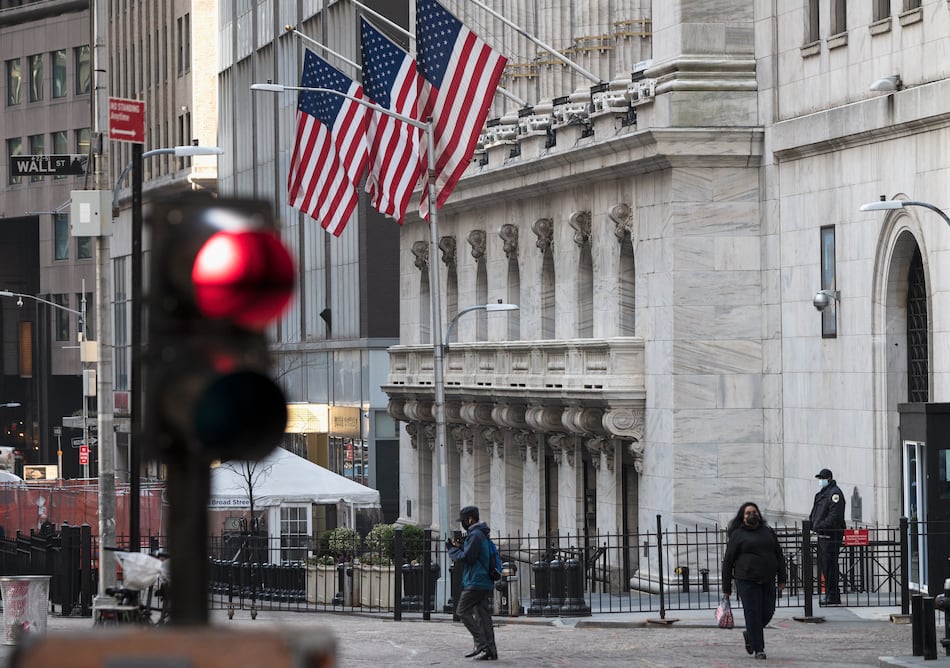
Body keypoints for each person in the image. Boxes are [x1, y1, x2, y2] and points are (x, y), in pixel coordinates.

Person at [722, 501, 786, 661]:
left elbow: (779, 554)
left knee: (768, 611)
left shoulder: (767, 531)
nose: (752, 515)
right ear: (742, 517)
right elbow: (728, 561)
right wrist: (726, 588)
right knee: (753, 614)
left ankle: (750, 634)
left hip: (768, 579)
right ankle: (759, 649)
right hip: (747, 580)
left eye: (754, 512)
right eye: (748, 513)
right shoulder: (738, 535)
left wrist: (782, 577)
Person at [446, 506, 497, 661]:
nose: (462, 523)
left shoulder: (475, 535)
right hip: (484, 580)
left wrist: (452, 550)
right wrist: (460, 547)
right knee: (483, 615)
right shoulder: (480, 534)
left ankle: (481, 643)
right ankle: (490, 650)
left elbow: (468, 558)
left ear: (470, 519)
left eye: (463, 520)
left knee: (462, 610)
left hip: (476, 580)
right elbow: (474, 553)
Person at [810, 467, 846, 605]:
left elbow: (834, 515)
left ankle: (832, 595)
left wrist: (820, 525)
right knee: (825, 565)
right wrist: (812, 524)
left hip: (831, 535)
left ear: (829, 479)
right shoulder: (822, 494)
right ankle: (829, 594)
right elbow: (815, 512)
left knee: (830, 565)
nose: (821, 481)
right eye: (820, 478)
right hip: (822, 535)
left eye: (823, 478)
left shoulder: (834, 494)